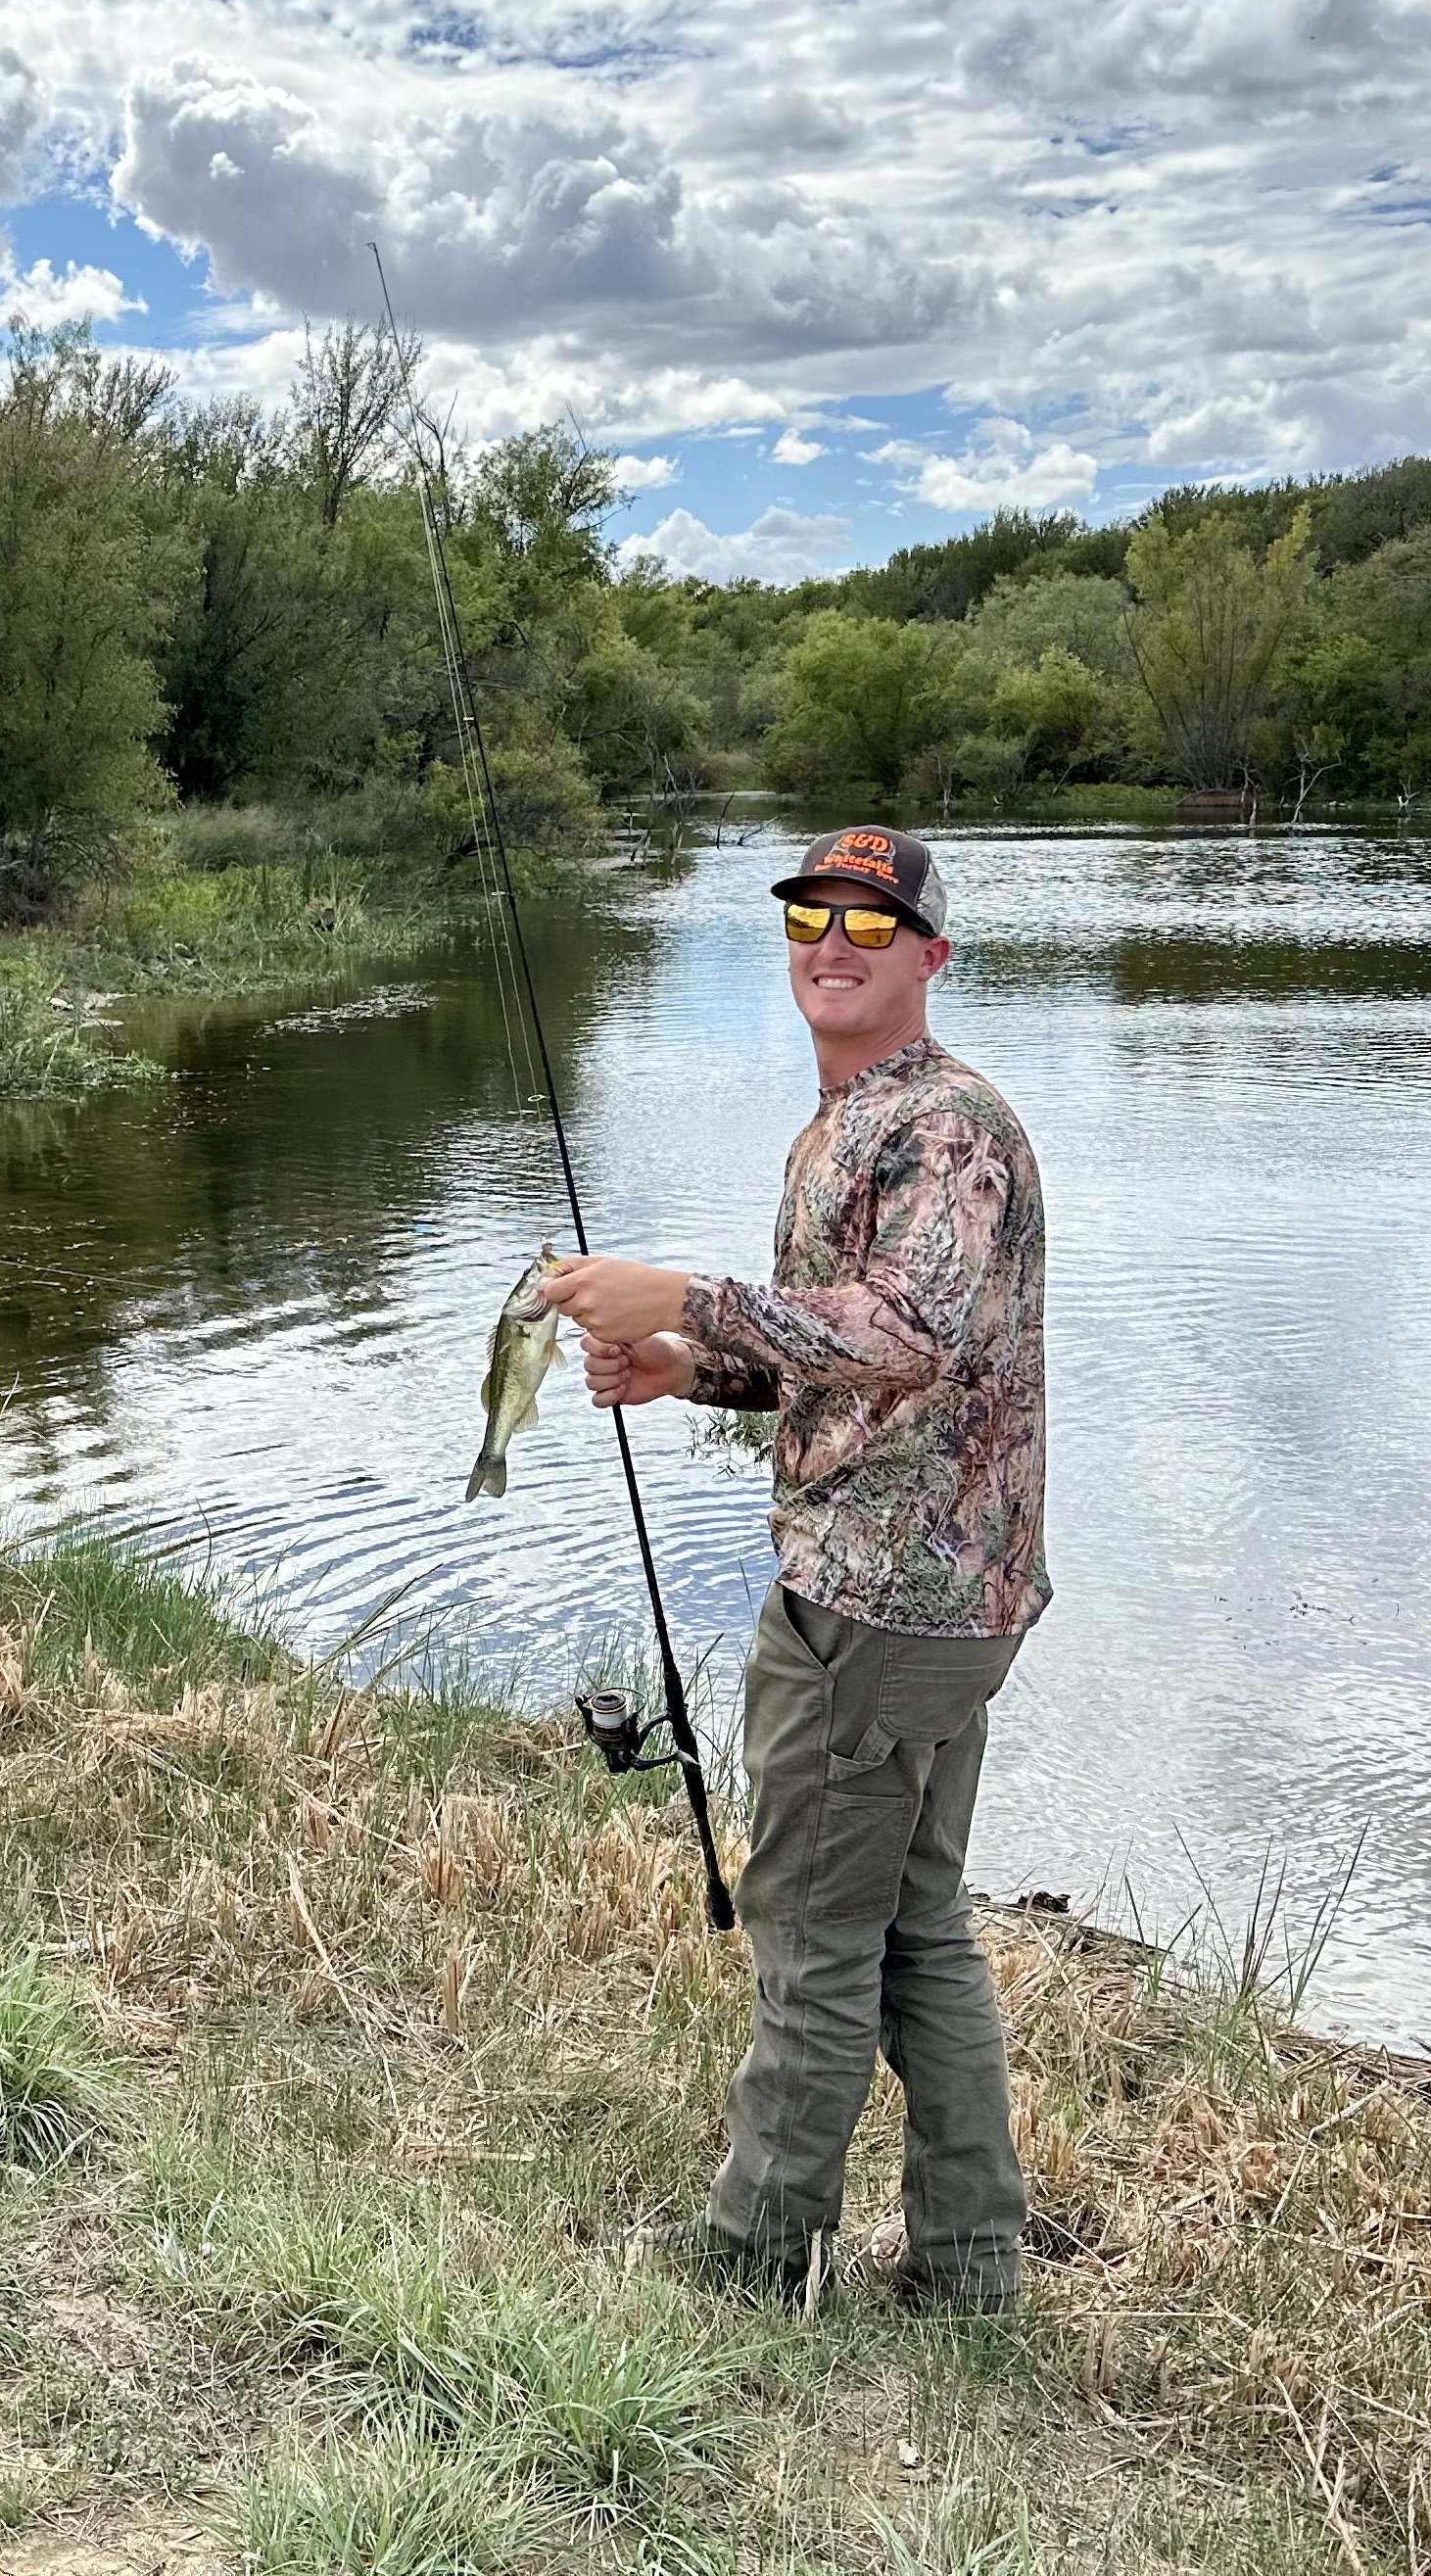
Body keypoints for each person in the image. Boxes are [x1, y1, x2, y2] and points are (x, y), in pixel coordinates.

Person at [537, 822, 1049, 2314]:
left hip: (883, 1606)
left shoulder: (943, 1127)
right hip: (937, 1602)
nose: (834, 942)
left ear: (930, 956)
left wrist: (685, 1289)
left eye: (872, 926)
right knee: (911, 1926)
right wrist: (686, 1367)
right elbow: (846, 1372)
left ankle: (757, 2265)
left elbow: (915, 1331)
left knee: (814, 1937)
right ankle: (967, 2268)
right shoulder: (850, 1121)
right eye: (813, 916)